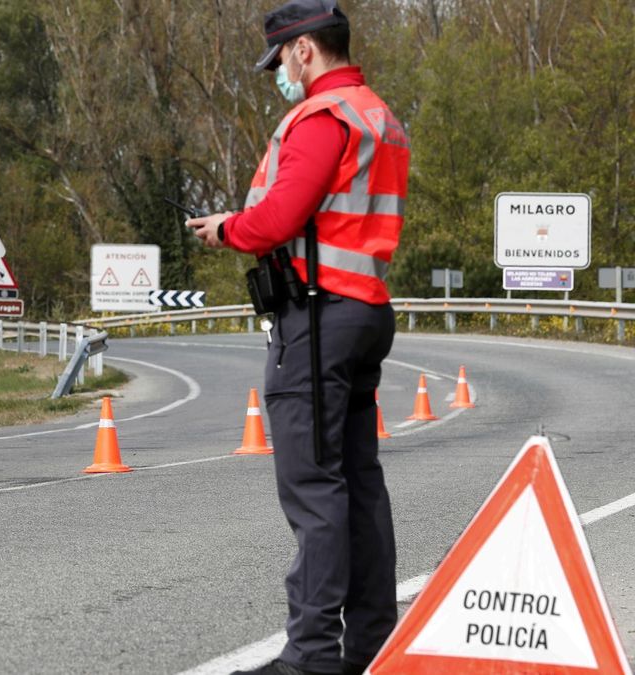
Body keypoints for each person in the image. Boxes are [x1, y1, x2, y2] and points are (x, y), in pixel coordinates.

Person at [186, 2, 409, 674]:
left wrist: (230, 228)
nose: (281, 72)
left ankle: (311, 656)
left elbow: (279, 218)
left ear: (305, 50)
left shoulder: (323, 117)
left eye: (281, 59)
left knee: (314, 489)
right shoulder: (379, 116)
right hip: (365, 308)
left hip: (316, 320)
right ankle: (370, 645)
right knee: (358, 484)